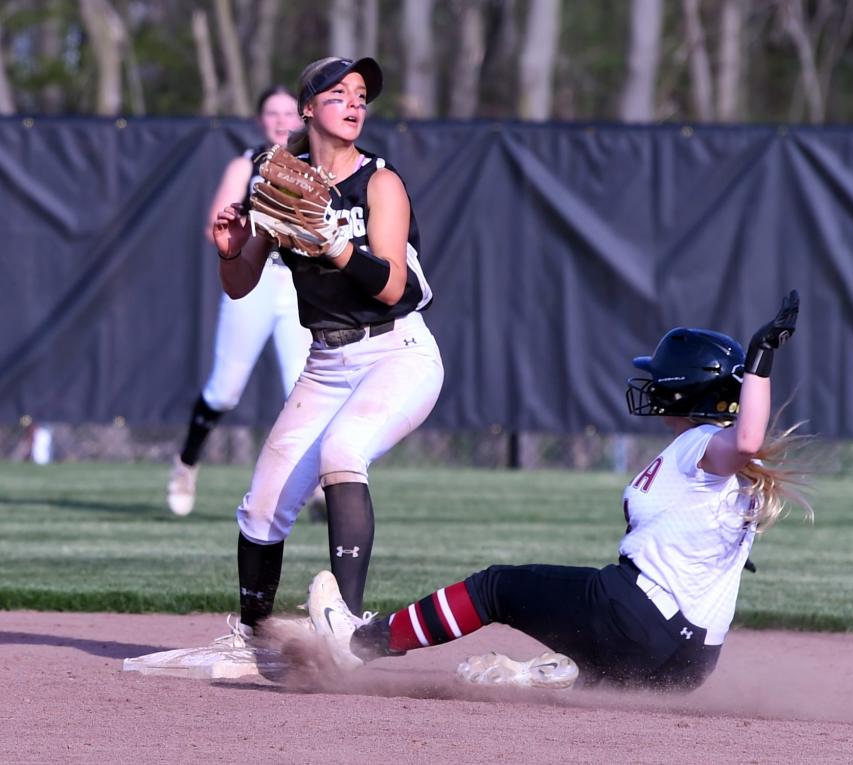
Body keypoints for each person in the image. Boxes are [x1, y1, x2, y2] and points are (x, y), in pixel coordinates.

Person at [297, 291, 809, 692]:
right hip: (690, 665)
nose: (650, 385)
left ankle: (361, 643)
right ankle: (545, 674)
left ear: (685, 387)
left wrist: (760, 359)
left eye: (659, 379)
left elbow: (746, 437)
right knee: (602, 632)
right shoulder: (723, 468)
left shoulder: (704, 446)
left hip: (636, 621)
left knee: (495, 587)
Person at [210, 56, 444, 657]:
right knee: (262, 505)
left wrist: (337, 244)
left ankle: (348, 629)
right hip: (325, 363)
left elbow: (393, 286)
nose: (355, 103)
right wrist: (231, 250)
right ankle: (253, 638)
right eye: (338, 93)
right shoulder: (281, 180)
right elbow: (240, 284)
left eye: (361, 94)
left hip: (396, 351)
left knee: (343, 452)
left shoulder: (380, 182)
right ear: (308, 108)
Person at [166, 85, 313, 517]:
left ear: (303, 117)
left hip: (300, 285)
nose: (282, 120)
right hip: (257, 280)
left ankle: (319, 484)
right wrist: (257, 225)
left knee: (304, 390)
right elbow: (217, 226)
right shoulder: (246, 163)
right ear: (260, 120)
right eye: (273, 112)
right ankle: (186, 464)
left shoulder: (314, 167)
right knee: (224, 391)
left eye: (290, 112)